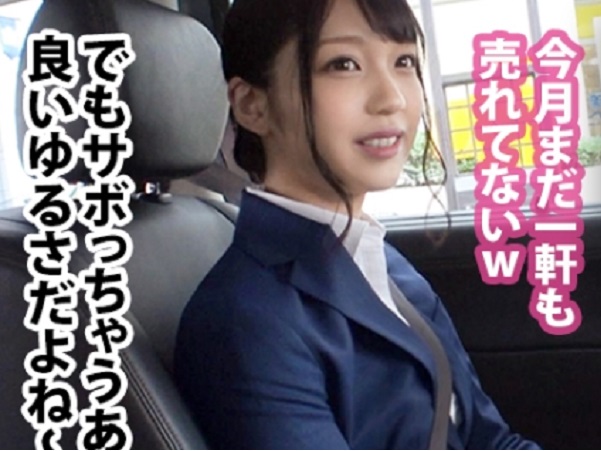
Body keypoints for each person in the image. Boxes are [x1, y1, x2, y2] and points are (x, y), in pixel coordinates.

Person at [174, 0, 541, 448]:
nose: (392, 98)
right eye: (343, 64)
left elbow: (488, 439)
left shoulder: (382, 262)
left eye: (404, 61)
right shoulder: (246, 320)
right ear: (253, 105)